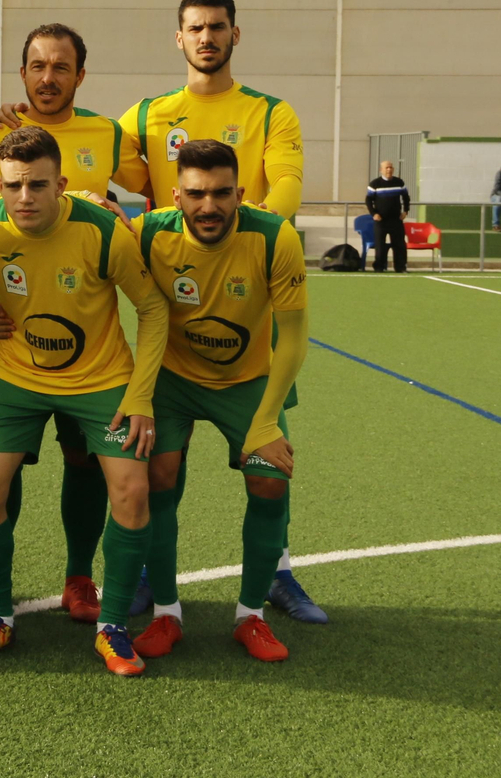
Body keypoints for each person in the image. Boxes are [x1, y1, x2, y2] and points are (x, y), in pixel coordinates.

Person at [115, 0, 324, 624]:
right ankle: (155, 575)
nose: (207, 38)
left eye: (218, 28)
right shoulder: (147, 114)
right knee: (159, 472)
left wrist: (255, 241)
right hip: (176, 303)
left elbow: (285, 184)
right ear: (178, 38)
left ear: (237, 34)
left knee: (267, 462)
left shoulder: (271, 112)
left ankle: (278, 572)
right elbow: (93, 171)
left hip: (248, 301)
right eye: (195, 29)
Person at [0, 126, 168, 674]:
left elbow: (153, 310)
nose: (25, 198)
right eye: (13, 185)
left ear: (62, 183)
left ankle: (112, 627)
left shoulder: (102, 230)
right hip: (17, 374)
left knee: (132, 489)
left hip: (101, 378)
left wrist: (140, 397)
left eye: (38, 185)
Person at [0, 22, 151, 624]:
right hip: (17, 323)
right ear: (21, 73)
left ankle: (81, 578)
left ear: (80, 74)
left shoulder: (107, 133)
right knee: (6, 456)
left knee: (84, 462)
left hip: (87, 326)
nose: (47, 78)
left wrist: (120, 212)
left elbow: (151, 198)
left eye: (60, 67)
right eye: (36, 66)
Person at [128, 139, 308, 664]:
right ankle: (166, 612)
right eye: (196, 194)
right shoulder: (148, 233)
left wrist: (267, 421)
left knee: (269, 480)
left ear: (241, 193)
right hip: (173, 379)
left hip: (247, 381)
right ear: (176, 197)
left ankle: (251, 617)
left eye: (222, 193)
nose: (209, 206)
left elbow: (294, 335)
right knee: (157, 476)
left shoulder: (275, 236)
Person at [366, 160, 410, 271]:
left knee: (399, 245)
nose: (389, 169)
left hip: (396, 220)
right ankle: (380, 267)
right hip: (381, 221)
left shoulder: (399, 182)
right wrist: (374, 214)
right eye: (386, 168)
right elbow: (368, 200)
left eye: (390, 167)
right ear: (381, 170)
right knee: (380, 246)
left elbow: (406, 197)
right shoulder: (375, 184)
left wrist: (406, 211)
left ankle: (400, 267)